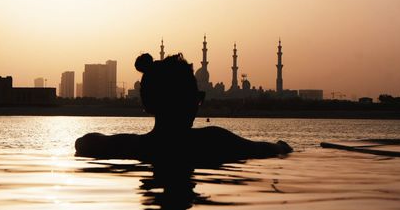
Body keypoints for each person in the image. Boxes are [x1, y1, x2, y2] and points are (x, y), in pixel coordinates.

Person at [75, 53, 292, 163]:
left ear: (148, 104)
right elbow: (270, 149)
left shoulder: (131, 146)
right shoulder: (214, 141)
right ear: (191, 101)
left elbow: (83, 142)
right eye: (198, 98)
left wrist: (125, 142)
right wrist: (282, 145)